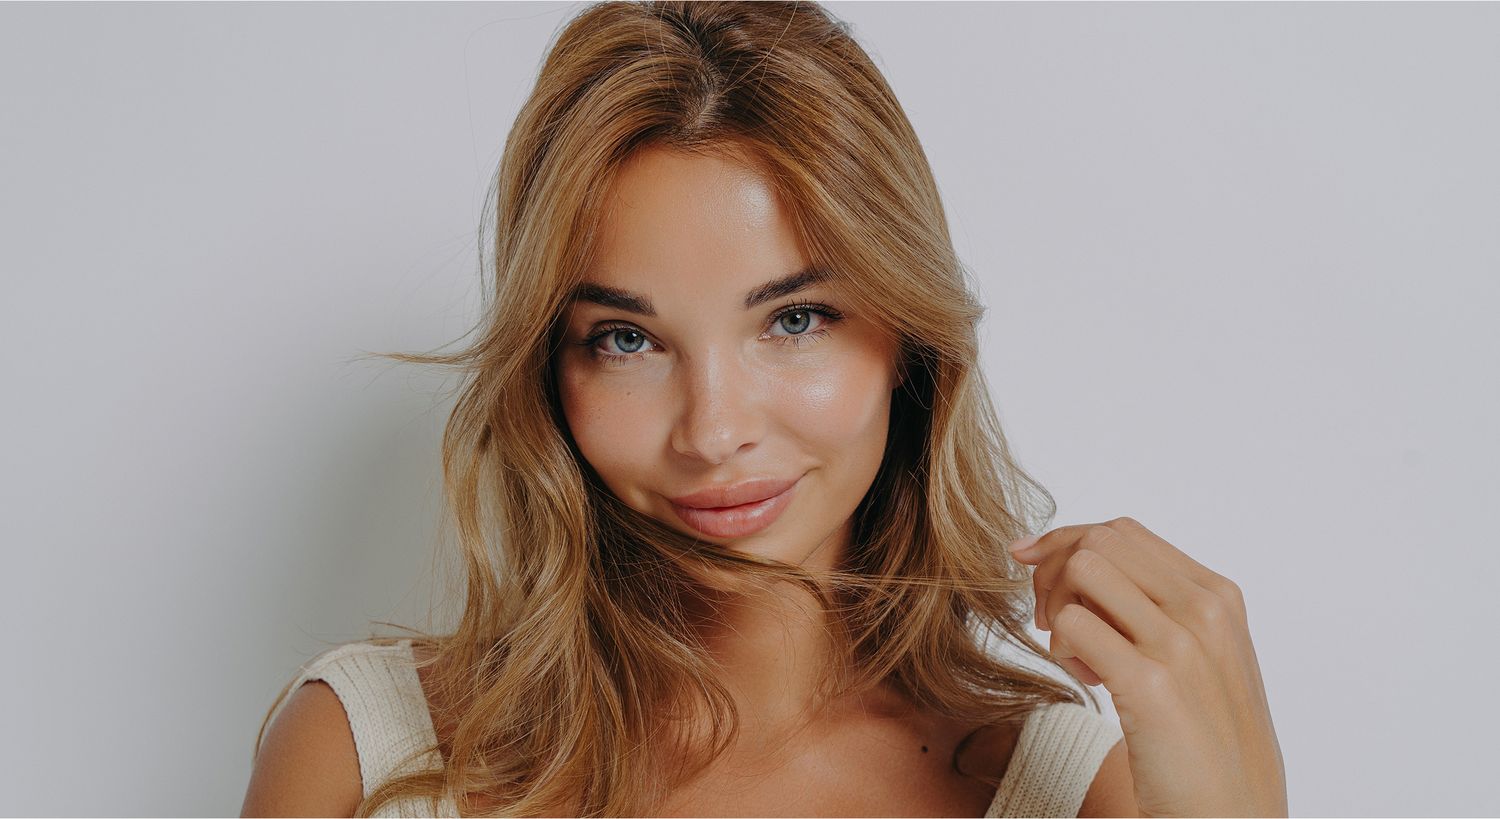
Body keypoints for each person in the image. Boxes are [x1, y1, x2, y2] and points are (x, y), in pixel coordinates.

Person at [241, 2, 1286, 817]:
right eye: (626, 339)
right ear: (549, 375)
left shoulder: (1070, 790)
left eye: (794, 320)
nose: (713, 430)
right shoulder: (366, 751)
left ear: (908, 342)